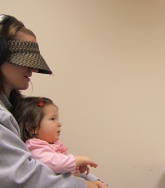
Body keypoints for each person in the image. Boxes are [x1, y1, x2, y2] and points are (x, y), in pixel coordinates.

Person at [0, 13, 103, 187]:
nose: (33, 68)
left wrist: (89, 179)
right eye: (25, 59)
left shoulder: (11, 109)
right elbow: (22, 177)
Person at [12, 96, 108, 188]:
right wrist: (79, 160)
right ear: (32, 128)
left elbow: (70, 169)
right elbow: (56, 163)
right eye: (53, 119)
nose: (59, 123)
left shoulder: (53, 147)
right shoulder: (35, 147)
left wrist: (95, 180)